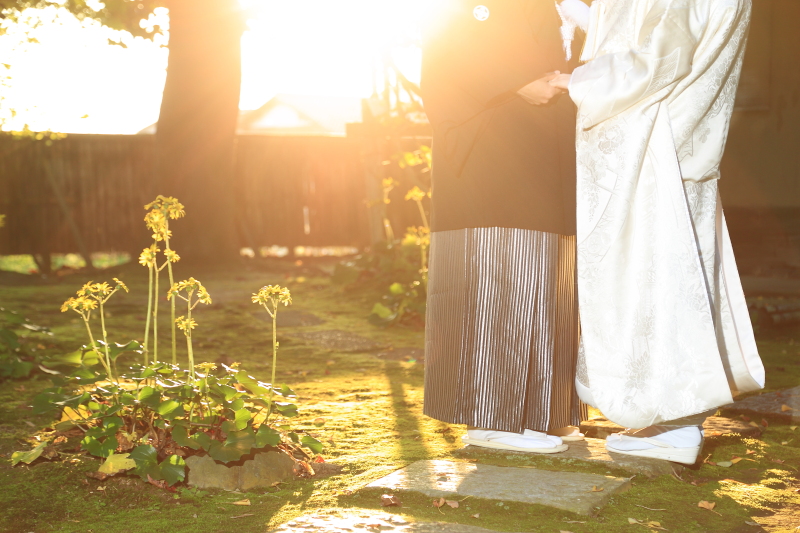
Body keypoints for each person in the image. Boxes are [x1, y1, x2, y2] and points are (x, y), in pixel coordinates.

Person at [550, 0, 766, 464]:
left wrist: (578, 81)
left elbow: (662, 52)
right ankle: (672, 420)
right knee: (679, 278)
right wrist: (588, 17)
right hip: (685, 142)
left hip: (657, 144)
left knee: (655, 281)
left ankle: (675, 425)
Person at [419, 0, 590, 453]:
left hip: (545, 141)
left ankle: (542, 411)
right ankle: (491, 416)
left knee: (551, 271)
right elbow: (447, 51)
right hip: (494, 146)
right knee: (502, 265)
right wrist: (517, 80)